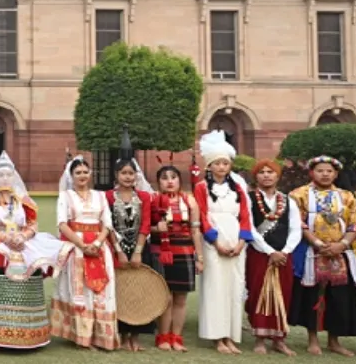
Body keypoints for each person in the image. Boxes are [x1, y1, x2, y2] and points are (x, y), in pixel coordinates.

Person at [0, 152, 60, 350]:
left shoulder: (23, 199)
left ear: (14, 177)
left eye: (8, 175)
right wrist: (3, 238)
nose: (5, 178)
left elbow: (33, 223)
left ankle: (27, 328)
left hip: (21, 240)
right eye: (1, 175)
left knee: (31, 260)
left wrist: (23, 236)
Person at [288, 155, 356, 356]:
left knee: (339, 297)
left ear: (336, 174)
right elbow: (298, 222)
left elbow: (355, 224)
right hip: (312, 252)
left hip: (340, 253)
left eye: (329, 171)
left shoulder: (347, 196)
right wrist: (318, 243)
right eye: (320, 170)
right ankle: (312, 339)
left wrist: (342, 244)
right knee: (313, 295)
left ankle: (334, 340)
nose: (325, 174)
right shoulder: (299, 195)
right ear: (312, 172)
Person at [193, 130, 253, 354]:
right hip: (215, 241)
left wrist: (241, 242)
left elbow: (246, 216)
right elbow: (202, 217)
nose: (221, 167)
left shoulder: (237, 187)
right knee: (215, 288)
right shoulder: (201, 187)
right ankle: (217, 337)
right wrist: (215, 242)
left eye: (225, 163)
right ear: (209, 166)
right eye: (217, 163)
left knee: (234, 287)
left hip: (236, 240)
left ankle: (231, 335)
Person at [51, 156, 118, 351]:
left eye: (85, 172)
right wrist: (81, 244)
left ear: (90, 175)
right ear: (71, 176)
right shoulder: (65, 196)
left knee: (101, 292)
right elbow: (62, 224)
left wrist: (96, 243)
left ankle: (102, 336)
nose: (82, 175)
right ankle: (82, 337)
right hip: (76, 249)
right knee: (80, 291)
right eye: (77, 172)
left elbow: (107, 223)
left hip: (99, 249)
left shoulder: (100, 196)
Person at [244, 159, 301, 356]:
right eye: (262, 172)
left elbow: (295, 229)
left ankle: (279, 339)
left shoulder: (288, 201)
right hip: (259, 254)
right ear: (256, 176)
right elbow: (249, 228)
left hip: (284, 255)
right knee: (258, 294)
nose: (266, 175)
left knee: (283, 294)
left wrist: (285, 251)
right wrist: (269, 251)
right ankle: (259, 339)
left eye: (271, 172)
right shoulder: (249, 198)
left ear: (278, 176)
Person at [150, 164, 203, 352]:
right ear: (158, 182)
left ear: (180, 180)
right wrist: (156, 229)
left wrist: (200, 257)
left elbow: (196, 231)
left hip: (185, 251)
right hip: (161, 252)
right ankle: (162, 336)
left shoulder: (190, 201)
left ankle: (177, 337)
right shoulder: (152, 200)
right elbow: (145, 227)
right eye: (165, 177)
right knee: (166, 297)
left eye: (173, 177)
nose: (170, 181)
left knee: (181, 298)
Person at [106, 156, 155, 351]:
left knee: (138, 291)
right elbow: (108, 225)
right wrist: (119, 252)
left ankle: (136, 336)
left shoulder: (144, 196)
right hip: (116, 250)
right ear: (116, 175)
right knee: (120, 292)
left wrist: (138, 251)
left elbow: (146, 224)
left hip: (140, 249)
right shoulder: (108, 197)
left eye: (131, 173)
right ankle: (123, 334)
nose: (128, 177)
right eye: (124, 173)